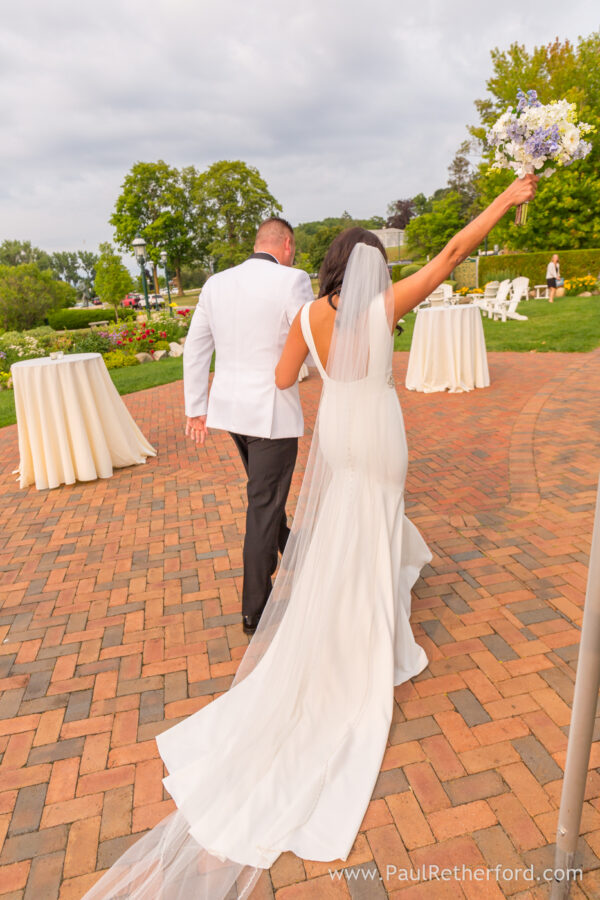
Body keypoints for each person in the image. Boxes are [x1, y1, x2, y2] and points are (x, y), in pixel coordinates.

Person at [83, 173, 538, 900]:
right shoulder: (386, 305)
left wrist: (325, 372)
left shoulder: (307, 318)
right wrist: (507, 199)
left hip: (338, 435)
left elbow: (284, 378)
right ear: (374, 273)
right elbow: (453, 252)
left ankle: (346, 624)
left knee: (346, 533)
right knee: (375, 524)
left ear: (325, 267)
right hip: (380, 431)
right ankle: (373, 638)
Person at [184, 217, 314, 634]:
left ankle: (289, 545)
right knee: (262, 504)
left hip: (232, 414)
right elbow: (308, 336)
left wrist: (196, 408)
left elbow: (196, 347)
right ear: (287, 244)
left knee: (264, 492)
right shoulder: (292, 280)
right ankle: (254, 608)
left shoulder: (215, 283)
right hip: (271, 414)